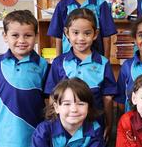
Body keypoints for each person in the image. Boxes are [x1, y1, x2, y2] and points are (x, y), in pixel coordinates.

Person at [0, 10, 49, 147]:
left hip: (34, 130)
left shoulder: (42, 65)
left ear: (36, 37)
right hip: (7, 133)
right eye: (15, 35)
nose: (21, 41)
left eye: (28, 35)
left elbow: (46, 97)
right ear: (5, 36)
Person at [45, 8, 117, 139]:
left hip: (95, 127)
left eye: (87, 33)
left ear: (95, 34)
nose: (81, 38)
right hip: (65, 125)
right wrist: (53, 123)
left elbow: (108, 98)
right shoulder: (59, 62)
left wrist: (109, 124)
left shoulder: (103, 63)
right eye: (75, 33)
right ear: (67, 33)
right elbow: (52, 96)